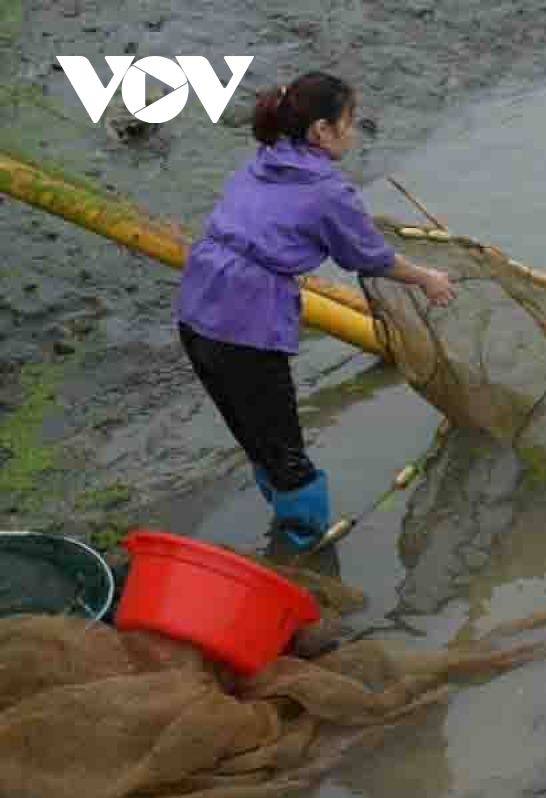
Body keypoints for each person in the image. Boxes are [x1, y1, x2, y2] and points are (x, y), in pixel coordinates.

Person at [175, 72, 456, 549]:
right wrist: (429, 279)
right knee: (286, 452)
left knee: (254, 434)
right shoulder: (329, 191)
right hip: (245, 322)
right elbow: (369, 257)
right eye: (348, 122)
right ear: (321, 132)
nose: (354, 131)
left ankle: (281, 527)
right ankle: (306, 551)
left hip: (197, 307)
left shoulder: (264, 162)